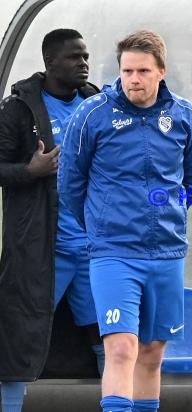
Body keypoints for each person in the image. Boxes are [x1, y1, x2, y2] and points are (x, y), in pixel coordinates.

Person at [58, 30, 192, 412]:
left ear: (161, 71)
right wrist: (101, 225)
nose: (133, 79)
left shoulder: (185, 115)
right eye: (127, 71)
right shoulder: (92, 114)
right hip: (113, 252)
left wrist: (167, 216)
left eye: (142, 70)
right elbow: (71, 183)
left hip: (167, 252)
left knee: (153, 352)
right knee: (121, 347)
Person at [0, 28, 102, 412]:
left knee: (111, 335)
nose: (84, 63)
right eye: (75, 57)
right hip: (44, 250)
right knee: (18, 337)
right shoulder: (19, 109)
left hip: (94, 250)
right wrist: (31, 170)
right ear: (50, 63)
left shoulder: (98, 104)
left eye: (86, 56)